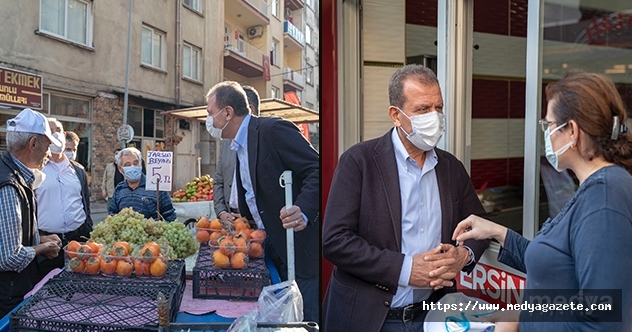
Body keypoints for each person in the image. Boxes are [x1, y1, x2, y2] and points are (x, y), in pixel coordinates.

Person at [453, 72, 632, 331]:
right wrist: (497, 232)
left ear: (572, 131)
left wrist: (520, 322)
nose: (546, 135)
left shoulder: (604, 199)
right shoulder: (593, 188)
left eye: (548, 126)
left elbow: (600, 321)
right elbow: (557, 263)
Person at [321, 64, 490, 331]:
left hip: (433, 316)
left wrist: (463, 255)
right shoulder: (359, 161)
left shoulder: (450, 167)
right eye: (423, 109)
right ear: (395, 115)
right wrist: (405, 269)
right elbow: (334, 240)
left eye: (439, 108)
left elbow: (478, 222)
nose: (434, 117)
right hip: (371, 319)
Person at [205, 81, 319, 322]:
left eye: (209, 113)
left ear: (227, 112)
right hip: (268, 244)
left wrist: (304, 210)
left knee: (306, 318)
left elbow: (318, 168)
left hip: (297, 245)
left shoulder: (272, 130)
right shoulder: (237, 145)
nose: (209, 122)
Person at [0, 108, 62, 317]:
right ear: (33, 143)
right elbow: (9, 257)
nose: (49, 152)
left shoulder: (13, 174)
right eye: (48, 144)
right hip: (8, 295)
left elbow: (8, 235)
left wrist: (38, 238)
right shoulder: (9, 185)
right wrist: (42, 247)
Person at [35, 119, 93, 279]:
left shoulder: (78, 171)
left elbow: (85, 204)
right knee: (48, 292)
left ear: (64, 134)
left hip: (79, 241)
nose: (55, 135)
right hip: (47, 245)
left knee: (80, 290)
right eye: (50, 131)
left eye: (58, 130)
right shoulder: (35, 171)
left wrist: (88, 229)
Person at [214, 85, 261, 225]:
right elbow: (218, 180)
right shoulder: (226, 143)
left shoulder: (267, 138)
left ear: (250, 110)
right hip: (232, 222)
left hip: (257, 222)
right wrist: (221, 212)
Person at [108, 147, 177, 221]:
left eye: (135, 163)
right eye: (127, 165)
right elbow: (112, 214)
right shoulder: (119, 189)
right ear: (120, 169)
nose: (132, 167)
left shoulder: (156, 186)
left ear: (140, 164)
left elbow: (170, 216)